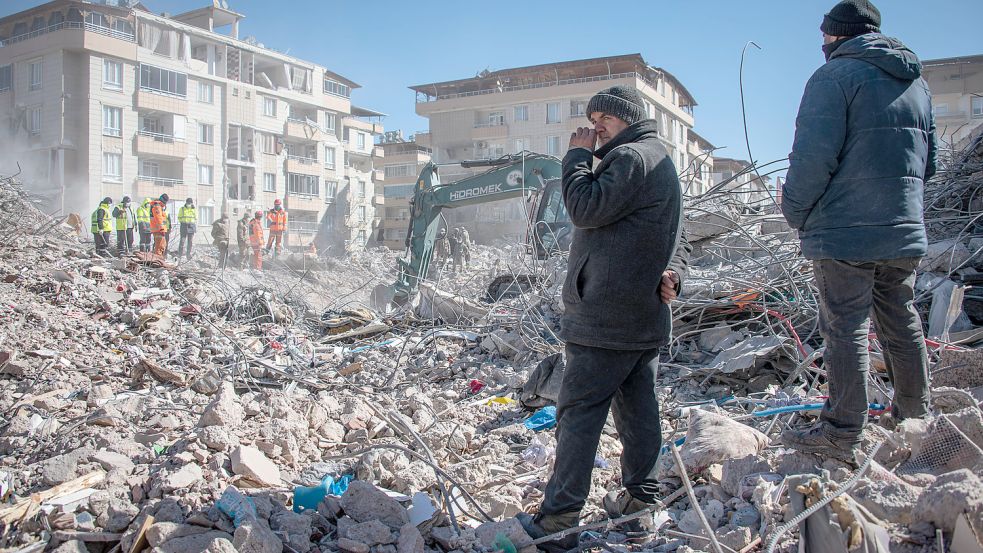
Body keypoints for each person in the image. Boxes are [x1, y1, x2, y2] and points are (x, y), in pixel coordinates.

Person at [517, 85, 686, 547]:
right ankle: (640, 504)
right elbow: (674, 234)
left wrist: (574, 158)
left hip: (606, 318)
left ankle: (559, 521)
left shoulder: (630, 157)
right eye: (591, 118)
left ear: (627, 118)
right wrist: (674, 273)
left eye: (603, 118)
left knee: (579, 414)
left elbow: (584, 208)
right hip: (640, 317)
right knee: (638, 411)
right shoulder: (658, 159)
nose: (594, 126)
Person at [780, 0, 936, 463]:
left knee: (844, 327)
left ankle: (842, 431)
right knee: (901, 319)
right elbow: (930, 164)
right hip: (902, 229)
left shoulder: (832, 78)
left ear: (834, 35)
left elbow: (812, 159)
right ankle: (914, 418)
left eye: (824, 35)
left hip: (845, 232)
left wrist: (794, 211)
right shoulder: (917, 84)